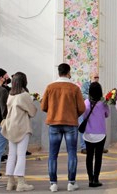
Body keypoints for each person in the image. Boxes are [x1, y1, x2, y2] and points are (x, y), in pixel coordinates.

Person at [41, 63, 86, 193]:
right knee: (72, 153)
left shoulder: (50, 87)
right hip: (71, 124)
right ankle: (71, 183)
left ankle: (53, 183)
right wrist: (73, 115)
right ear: (68, 72)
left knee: (53, 154)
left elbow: (43, 106)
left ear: (58, 72)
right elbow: (82, 108)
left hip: (54, 124)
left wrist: (54, 113)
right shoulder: (74, 88)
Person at [1, 72, 38, 192]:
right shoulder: (24, 95)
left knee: (11, 154)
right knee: (21, 155)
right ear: (24, 81)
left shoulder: (10, 95)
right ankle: (21, 182)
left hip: (10, 126)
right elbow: (32, 111)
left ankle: (10, 182)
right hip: (22, 126)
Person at [81, 81, 110, 188]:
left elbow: (83, 117)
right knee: (98, 157)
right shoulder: (103, 104)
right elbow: (107, 115)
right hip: (101, 134)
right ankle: (96, 179)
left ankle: (90, 179)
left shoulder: (86, 103)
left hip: (88, 134)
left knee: (89, 157)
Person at [79, 72, 100, 154]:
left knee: (94, 128)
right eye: (95, 77)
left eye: (97, 77)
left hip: (95, 109)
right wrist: (92, 98)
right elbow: (82, 94)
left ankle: (95, 146)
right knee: (83, 126)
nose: (96, 79)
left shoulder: (98, 86)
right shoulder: (86, 84)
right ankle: (83, 147)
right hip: (85, 108)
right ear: (91, 77)